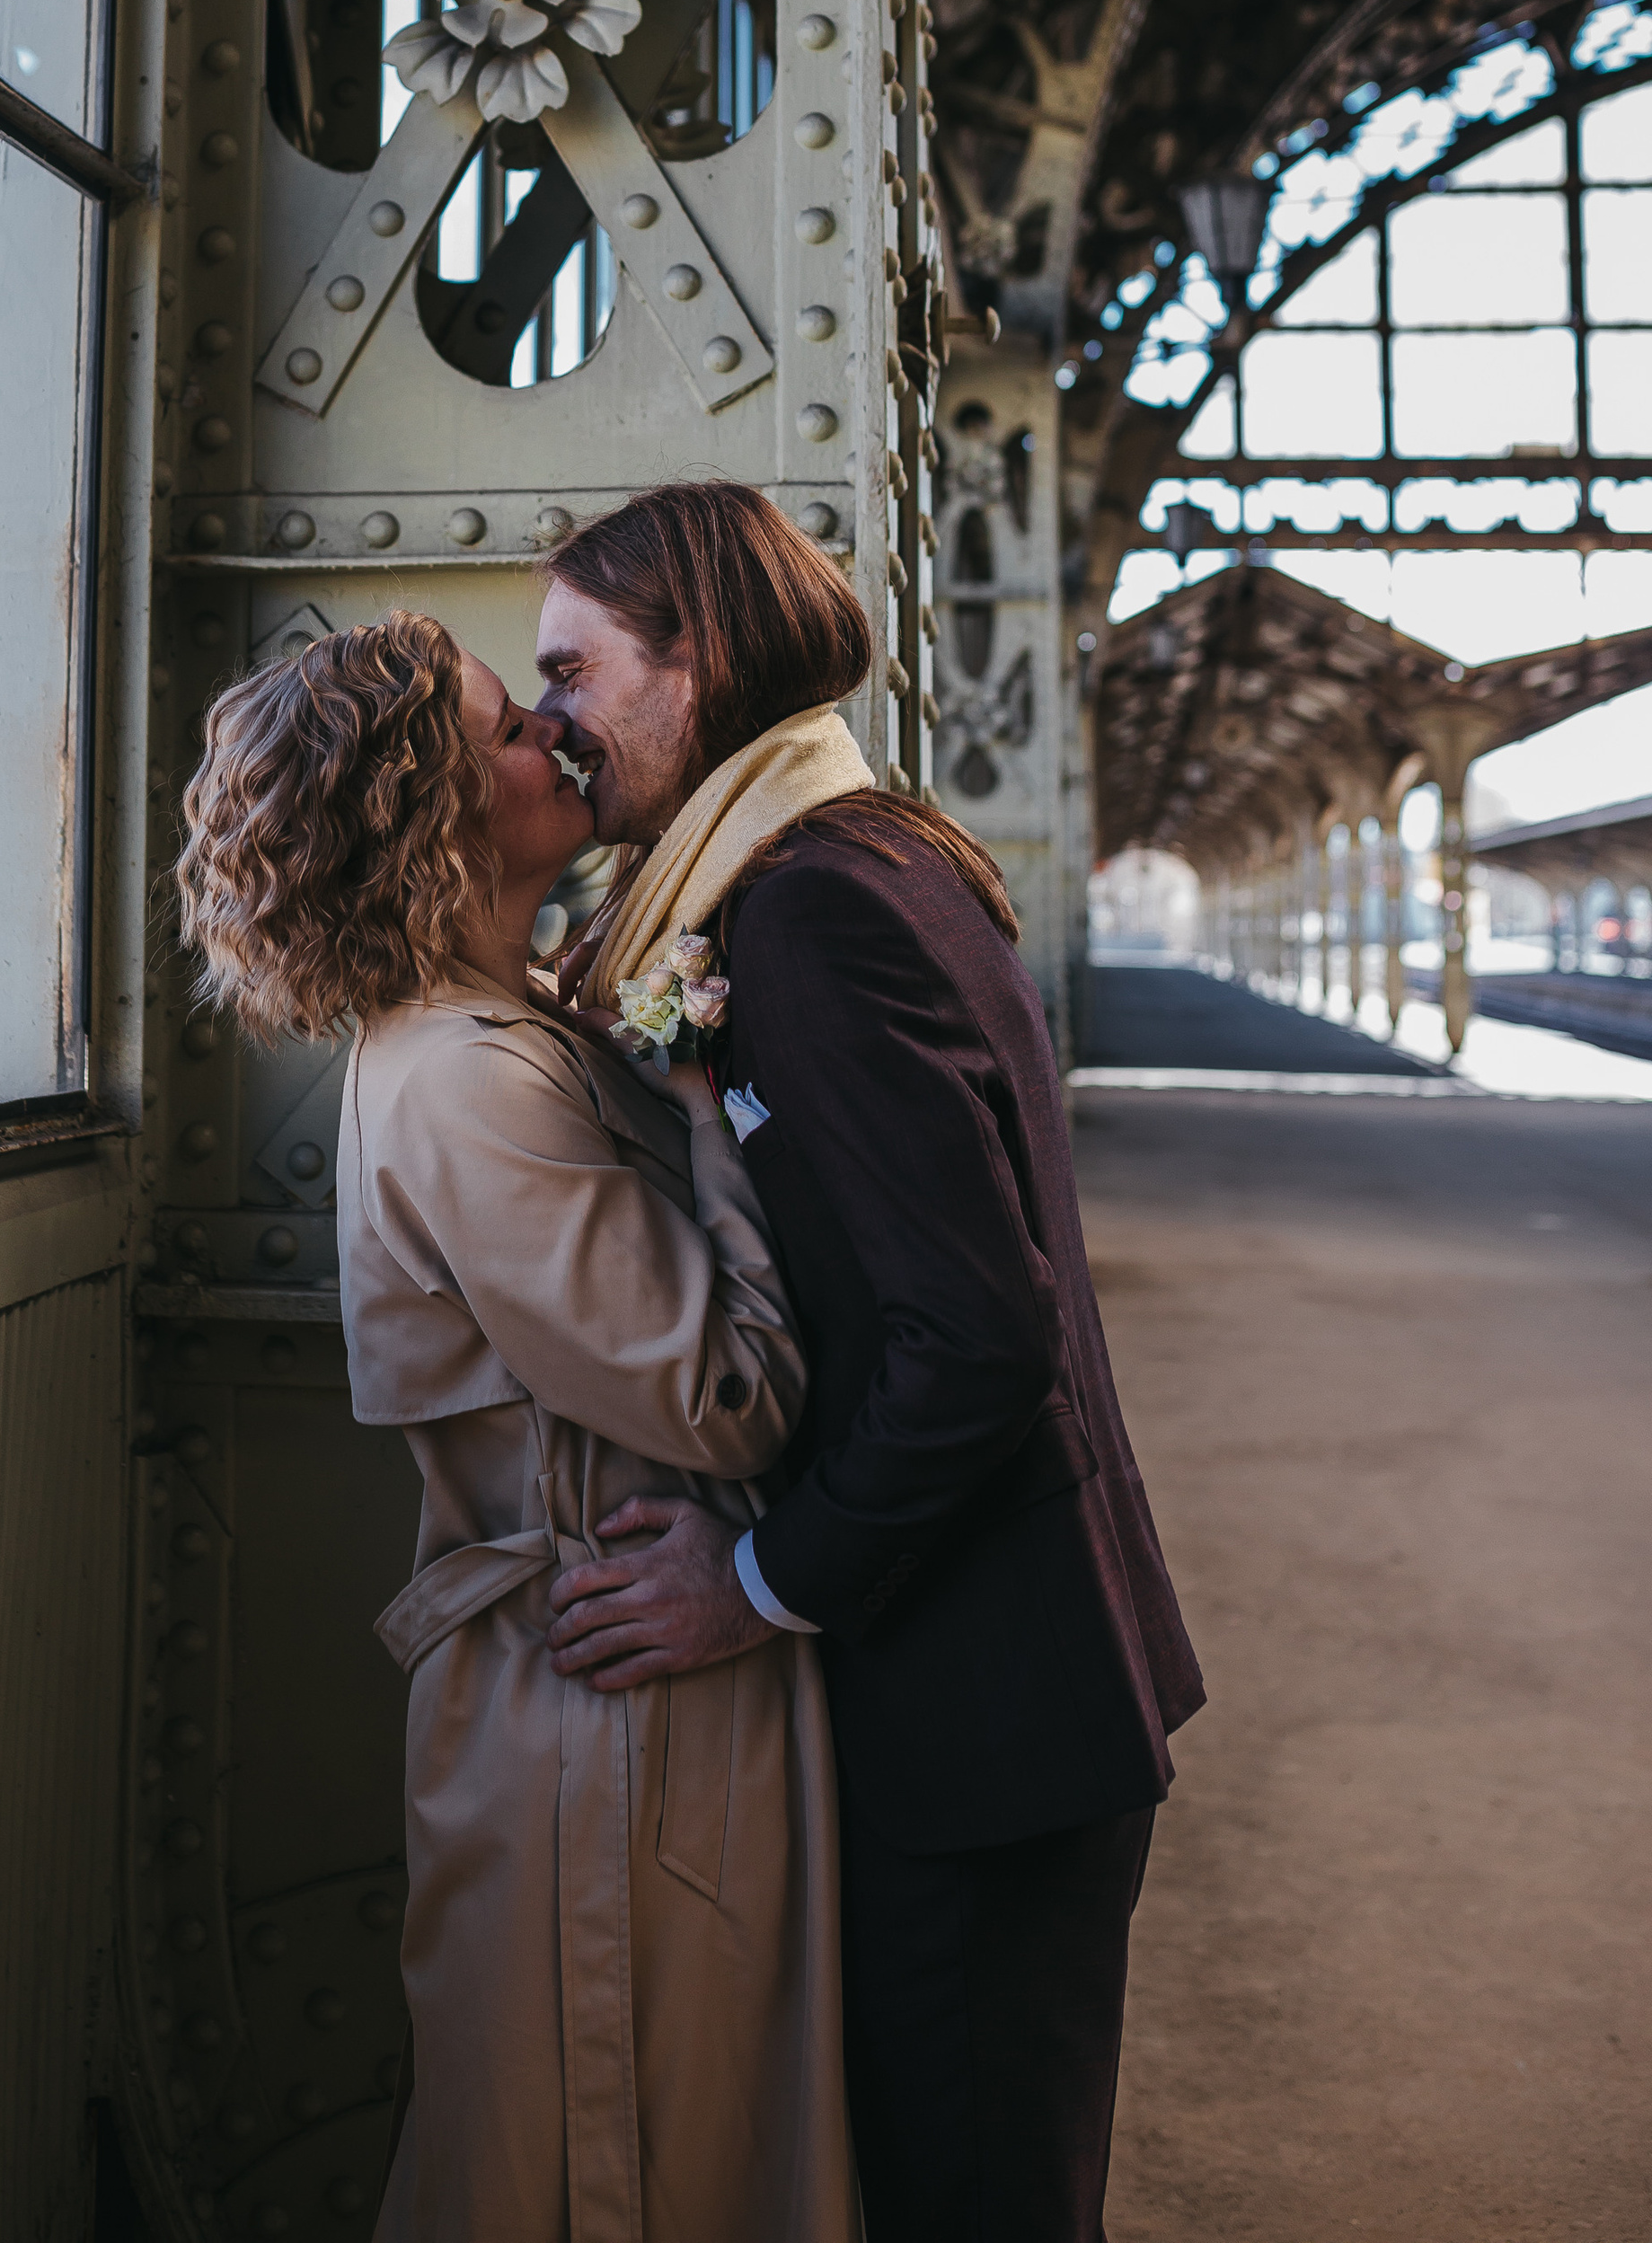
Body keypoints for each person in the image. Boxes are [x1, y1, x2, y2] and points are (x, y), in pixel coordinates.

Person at [534, 483, 1204, 2243]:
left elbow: (977, 1335)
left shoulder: (808, 914)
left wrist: (758, 1580)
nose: (547, 718)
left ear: (695, 667)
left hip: (981, 1709)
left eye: (573, 670)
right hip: (1006, 1689)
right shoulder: (874, 853)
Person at [173, 609, 859, 2243]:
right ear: (423, 808)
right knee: (622, 2157)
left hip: (608, 1686)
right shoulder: (473, 1079)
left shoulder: (512, 1027)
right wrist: (710, 1122)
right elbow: (732, 1396)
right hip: (615, 1706)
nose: (550, 735)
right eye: (500, 727)